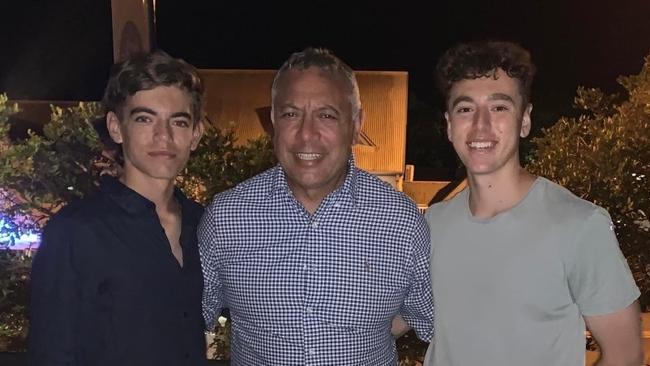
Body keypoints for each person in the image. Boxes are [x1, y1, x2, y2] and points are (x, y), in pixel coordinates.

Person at [199, 47, 433, 365]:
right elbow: (188, 319)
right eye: (291, 114)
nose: (307, 134)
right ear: (273, 121)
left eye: (327, 115)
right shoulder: (226, 219)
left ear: (355, 123)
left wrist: (367, 332)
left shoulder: (402, 223)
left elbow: (430, 317)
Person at [424, 40, 642, 365]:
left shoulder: (579, 225)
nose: (480, 125)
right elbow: (389, 315)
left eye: (499, 108)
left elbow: (625, 355)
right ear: (449, 124)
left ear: (524, 120)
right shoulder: (431, 225)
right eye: (465, 109)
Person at [28, 50, 207, 366]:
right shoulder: (76, 231)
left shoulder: (205, 225)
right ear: (115, 127)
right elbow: (52, 352)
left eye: (178, 121)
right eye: (144, 118)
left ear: (195, 134)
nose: (163, 136)